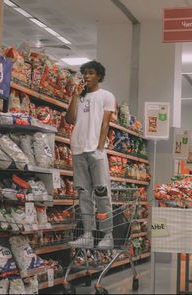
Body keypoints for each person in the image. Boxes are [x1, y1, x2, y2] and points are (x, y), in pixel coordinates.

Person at [65, 60, 116, 249]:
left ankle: (107, 235)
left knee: (102, 194)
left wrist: (99, 148)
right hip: (78, 150)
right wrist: (74, 96)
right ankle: (87, 233)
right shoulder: (80, 96)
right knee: (84, 195)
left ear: (99, 76)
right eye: (85, 72)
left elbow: (105, 124)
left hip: (95, 151)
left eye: (91, 73)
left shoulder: (106, 96)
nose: (87, 76)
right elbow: (69, 119)